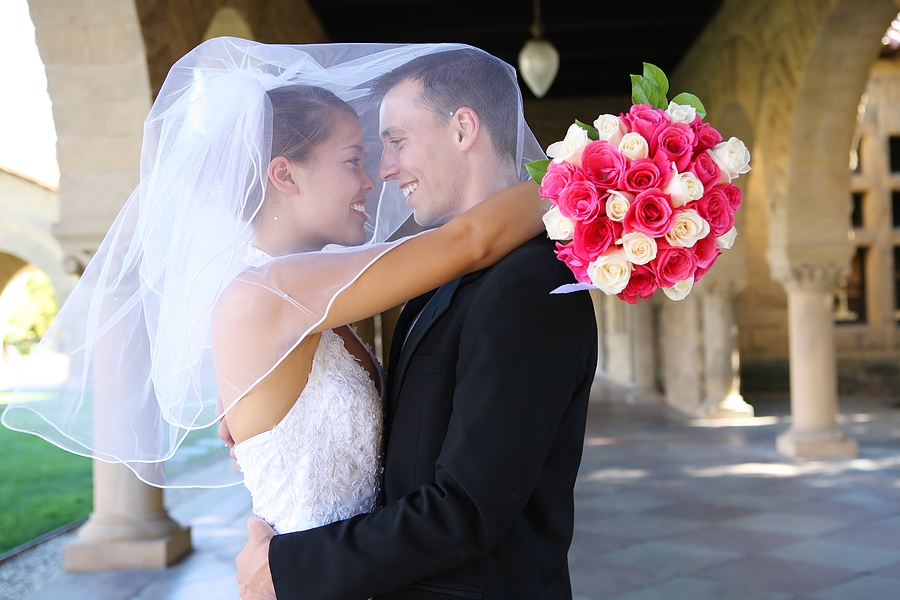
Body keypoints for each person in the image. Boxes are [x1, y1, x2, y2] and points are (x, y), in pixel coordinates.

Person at [0, 36, 544, 510]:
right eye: (354, 158)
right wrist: (592, 176)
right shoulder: (274, 291)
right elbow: (469, 241)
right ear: (285, 174)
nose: (373, 178)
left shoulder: (306, 289)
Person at [235, 48, 598, 600]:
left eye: (395, 142)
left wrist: (598, 185)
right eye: (359, 157)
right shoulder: (420, 279)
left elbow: (468, 508)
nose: (382, 171)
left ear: (463, 129)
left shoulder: (530, 283)